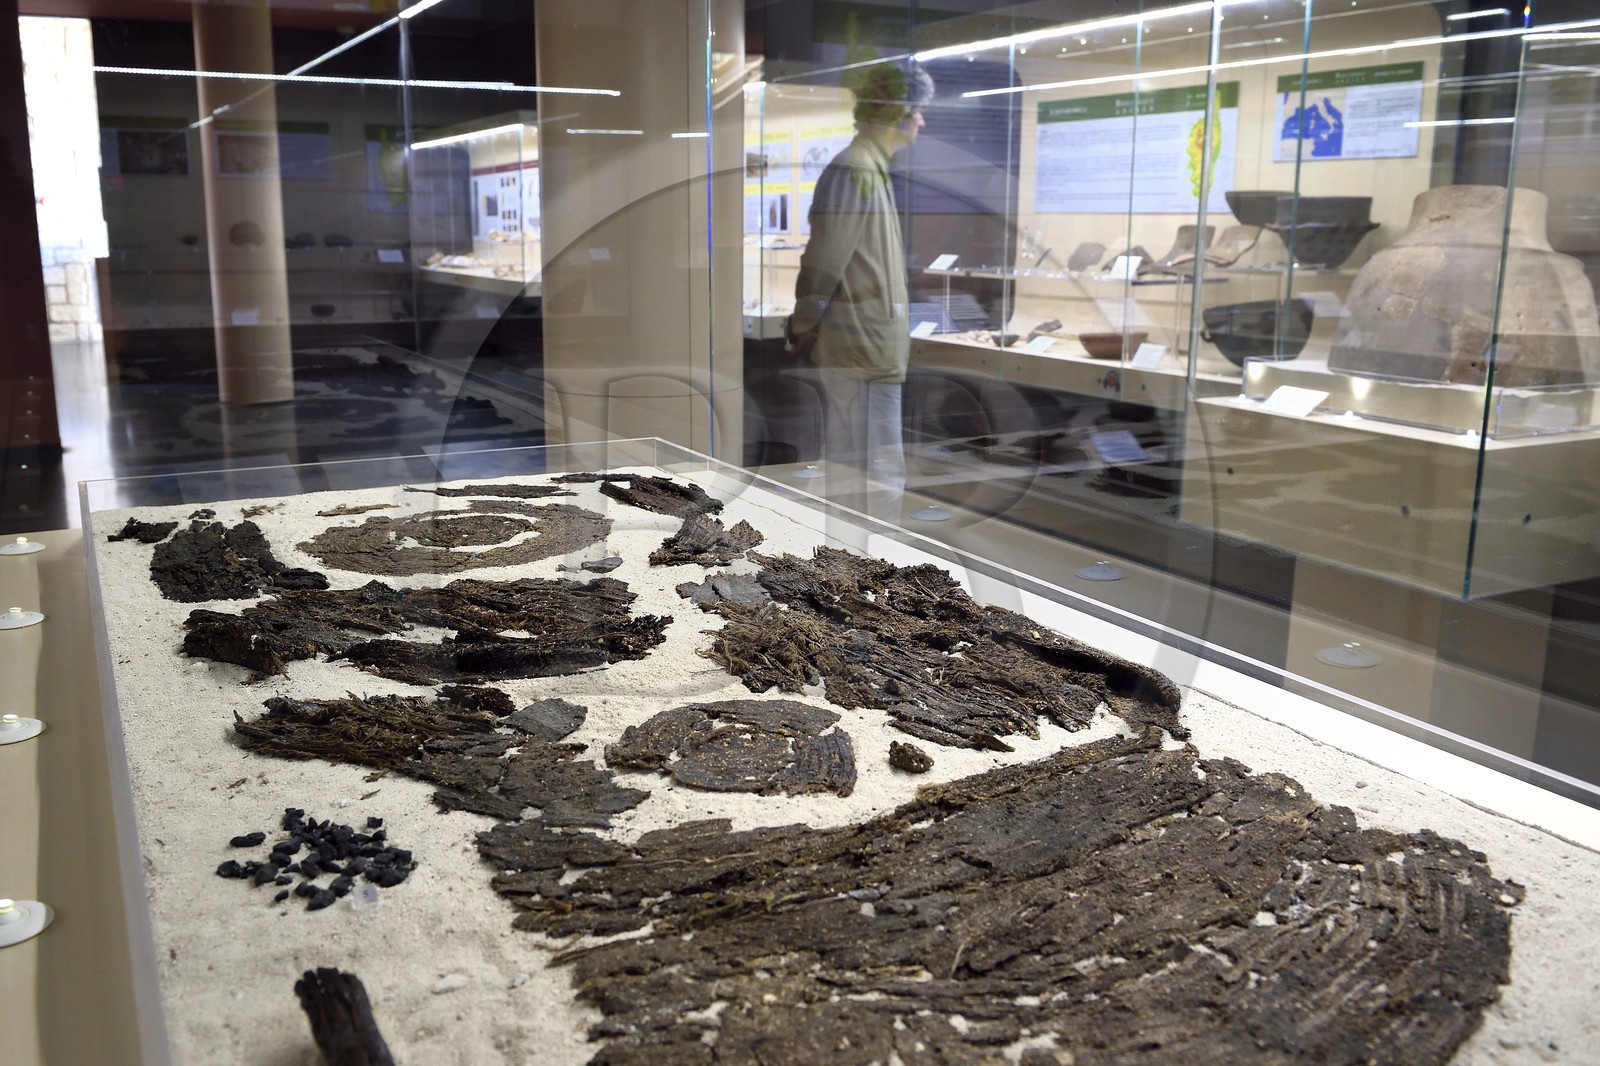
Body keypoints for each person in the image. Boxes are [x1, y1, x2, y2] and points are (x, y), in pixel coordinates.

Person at [786, 62, 934, 520]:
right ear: (900, 111)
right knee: (873, 467)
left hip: (867, 345)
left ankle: (858, 563)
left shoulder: (869, 167)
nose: (923, 122)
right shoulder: (855, 169)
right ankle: (870, 566)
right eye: (919, 111)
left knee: (864, 463)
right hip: (862, 349)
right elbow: (825, 260)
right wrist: (805, 322)